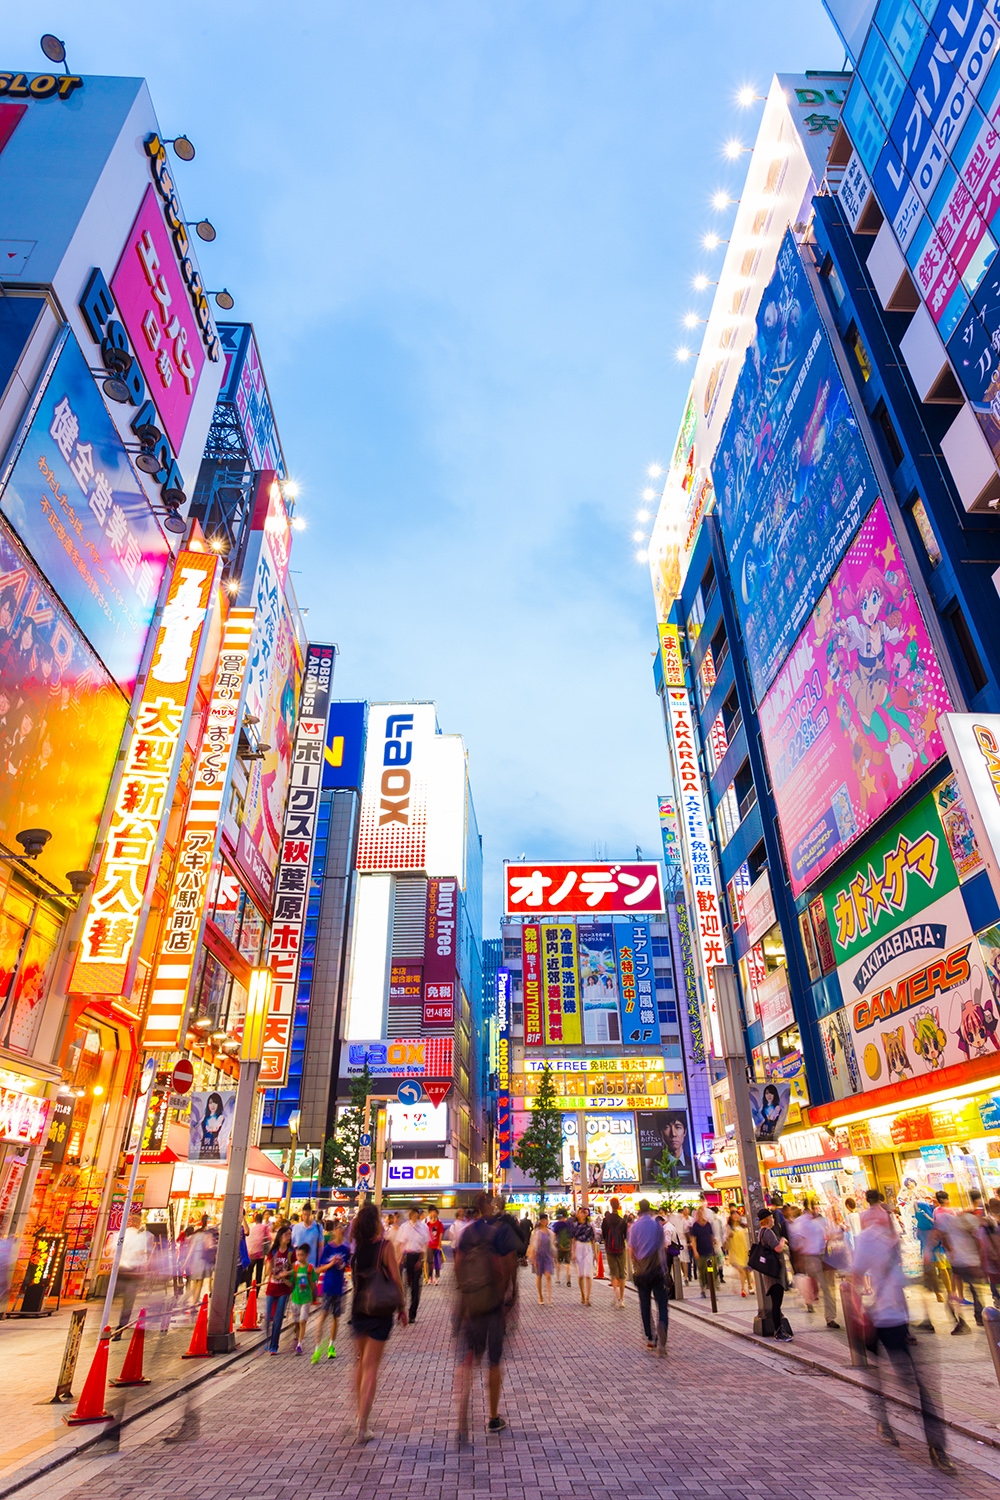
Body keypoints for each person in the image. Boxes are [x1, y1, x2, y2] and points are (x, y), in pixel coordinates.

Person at [853, 1204, 955, 1473]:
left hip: (900, 1322)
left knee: (917, 1382)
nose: (885, 1220)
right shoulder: (867, 1240)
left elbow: (903, 1282)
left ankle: (936, 1445)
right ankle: (885, 1423)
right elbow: (856, 1277)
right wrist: (858, 1312)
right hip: (878, 1320)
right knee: (880, 1377)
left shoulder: (893, 1240)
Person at [454, 1192, 521, 1442]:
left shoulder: (466, 1234)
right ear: (490, 1206)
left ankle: (463, 1413)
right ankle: (493, 1416)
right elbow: (508, 1267)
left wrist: (463, 1302)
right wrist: (509, 1299)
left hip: (472, 1305)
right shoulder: (499, 1232)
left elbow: (458, 1268)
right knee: (494, 1360)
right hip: (492, 1305)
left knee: (470, 1358)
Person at [350, 1201, 407, 1442]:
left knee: (361, 1364)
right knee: (371, 1366)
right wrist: (402, 1307)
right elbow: (396, 1279)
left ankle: (359, 1416)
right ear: (375, 1223)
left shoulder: (358, 1249)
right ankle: (363, 1426)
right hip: (379, 1311)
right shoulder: (385, 1247)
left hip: (359, 1310)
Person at [627, 1199, 669, 1356]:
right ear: (649, 1210)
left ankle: (651, 1338)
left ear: (639, 1210)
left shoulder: (635, 1227)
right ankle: (662, 1325)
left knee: (645, 1305)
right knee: (662, 1304)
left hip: (642, 1272)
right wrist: (664, 1268)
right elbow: (662, 1247)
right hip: (657, 1270)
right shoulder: (657, 1225)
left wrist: (636, 1264)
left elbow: (631, 1250)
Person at [793, 1200, 840, 1328]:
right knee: (819, 1285)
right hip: (811, 1258)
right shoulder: (802, 1222)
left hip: (824, 1256)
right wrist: (800, 1261)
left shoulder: (821, 1220)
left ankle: (830, 1317)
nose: (812, 1210)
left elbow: (832, 1234)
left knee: (828, 1287)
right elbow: (799, 1242)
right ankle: (810, 1301)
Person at [314, 1223, 351, 1362]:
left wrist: (341, 1264)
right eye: (339, 1228)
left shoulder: (346, 1249)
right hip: (328, 1286)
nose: (340, 1231)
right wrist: (331, 1264)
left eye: (342, 1228)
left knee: (336, 1316)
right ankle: (317, 1347)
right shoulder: (328, 1248)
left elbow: (346, 1265)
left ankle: (331, 1345)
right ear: (335, 1230)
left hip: (339, 1286)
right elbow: (319, 1269)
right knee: (323, 1315)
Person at [114, 1216, 153, 1336]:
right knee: (128, 1303)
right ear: (138, 1224)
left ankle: (104, 1327)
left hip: (120, 1271)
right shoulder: (140, 1237)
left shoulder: (120, 1235)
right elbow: (141, 1252)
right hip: (133, 1273)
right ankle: (120, 1328)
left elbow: (113, 1250)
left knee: (111, 1299)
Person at [756, 1209, 791, 1341]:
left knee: (776, 1303)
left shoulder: (761, 1232)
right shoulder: (768, 1232)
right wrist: (782, 1240)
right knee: (776, 1304)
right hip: (774, 1274)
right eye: (772, 1218)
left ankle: (779, 1330)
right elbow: (777, 1248)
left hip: (770, 1273)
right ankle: (778, 1331)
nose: (774, 1220)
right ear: (767, 1219)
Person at [395, 1207, 429, 1325]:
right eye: (411, 1214)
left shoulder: (424, 1227)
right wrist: (399, 1258)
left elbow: (425, 1246)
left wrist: (421, 1260)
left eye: (415, 1214)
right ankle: (402, 1311)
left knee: (416, 1287)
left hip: (418, 1257)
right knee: (404, 1286)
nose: (413, 1216)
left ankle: (412, 1314)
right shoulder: (404, 1227)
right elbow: (401, 1244)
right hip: (407, 1257)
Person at [264, 1223, 295, 1354]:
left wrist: (286, 1273)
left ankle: (274, 1346)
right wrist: (270, 1267)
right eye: (287, 1234)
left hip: (284, 1288)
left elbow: (295, 1269)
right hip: (271, 1288)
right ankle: (267, 1342)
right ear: (281, 1236)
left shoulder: (291, 1252)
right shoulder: (273, 1252)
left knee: (278, 1318)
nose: (289, 1236)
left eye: (290, 1234)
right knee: (268, 1319)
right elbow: (267, 1272)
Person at [288, 1243, 318, 1355]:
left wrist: (313, 1295)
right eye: (298, 1255)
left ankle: (300, 1344)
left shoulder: (310, 1268)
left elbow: (313, 1284)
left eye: (301, 1255)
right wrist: (281, 1278)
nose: (299, 1257)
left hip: (306, 1299)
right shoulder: (296, 1268)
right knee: (295, 1321)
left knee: (302, 1321)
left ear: (306, 1255)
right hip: (296, 1298)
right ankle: (297, 1334)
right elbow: (291, 1282)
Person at [601, 1197, 628, 1310]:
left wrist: (607, 1244)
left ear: (611, 1206)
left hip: (609, 1249)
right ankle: (621, 1298)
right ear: (619, 1206)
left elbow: (603, 1235)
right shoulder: (622, 1221)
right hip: (621, 1248)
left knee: (613, 1273)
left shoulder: (606, 1220)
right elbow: (625, 1236)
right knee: (622, 1274)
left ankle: (615, 1294)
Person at [688, 1206, 716, 1297]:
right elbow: (693, 1239)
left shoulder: (708, 1225)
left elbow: (711, 1236)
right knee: (701, 1270)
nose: (700, 1215)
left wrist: (714, 1247)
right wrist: (695, 1251)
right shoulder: (695, 1226)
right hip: (700, 1252)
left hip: (709, 1251)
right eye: (699, 1213)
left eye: (702, 1213)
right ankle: (702, 1289)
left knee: (710, 1270)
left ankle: (711, 1288)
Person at [528, 1214, 555, 1305]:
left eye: (545, 1220)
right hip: (538, 1256)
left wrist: (555, 1257)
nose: (544, 1222)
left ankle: (549, 1297)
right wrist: (533, 1258)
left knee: (548, 1275)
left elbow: (552, 1246)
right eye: (542, 1220)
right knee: (539, 1275)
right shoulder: (536, 1232)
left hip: (548, 1256)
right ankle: (540, 1295)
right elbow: (533, 1245)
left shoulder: (550, 1233)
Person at [571, 1208, 595, 1305]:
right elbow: (573, 1239)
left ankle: (588, 1298)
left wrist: (595, 1253)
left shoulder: (589, 1226)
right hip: (578, 1247)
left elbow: (593, 1239)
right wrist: (573, 1253)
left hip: (587, 1247)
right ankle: (583, 1295)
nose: (582, 1214)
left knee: (588, 1273)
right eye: (581, 1212)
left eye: (584, 1212)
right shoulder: (575, 1226)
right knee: (580, 1274)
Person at [726, 1210, 750, 1297]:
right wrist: (728, 1237)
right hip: (734, 1253)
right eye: (734, 1215)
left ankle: (748, 1285)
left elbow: (747, 1240)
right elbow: (725, 1243)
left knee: (746, 1270)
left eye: (737, 1215)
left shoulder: (744, 1228)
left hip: (743, 1251)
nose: (736, 1216)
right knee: (741, 1270)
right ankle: (743, 1288)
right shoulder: (729, 1228)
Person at [292, 1203, 324, 1269]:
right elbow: (292, 1245)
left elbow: (320, 1246)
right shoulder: (296, 1227)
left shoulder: (318, 1227)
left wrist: (319, 1265)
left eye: (308, 1215)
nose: (306, 1217)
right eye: (304, 1214)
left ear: (312, 1215)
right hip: (297, 1266)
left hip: (311, 1266)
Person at [246, 1211, 269, 1290]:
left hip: (251, 1254)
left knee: (249, 1272)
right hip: (260, 1254)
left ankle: (248, 1290)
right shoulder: (265, 1227)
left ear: (255, 1220)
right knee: (258, 1274)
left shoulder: (251, 1228)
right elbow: (268, 1239)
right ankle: (256, 1291)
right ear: (262, 1219)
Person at [552, 1208, 573, 1287]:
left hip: (559, 1246)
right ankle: (569, 1280)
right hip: (567, 1246)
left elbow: (554, 1235)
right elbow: (571, 1235)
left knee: (558, 1263)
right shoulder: (569, 1224)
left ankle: (558, 1279)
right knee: (568, 1263)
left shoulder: (557, 1224)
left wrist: (553, 1243)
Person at [425, 1208, 444, 1284]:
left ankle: (436, 1277)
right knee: (430, 1262)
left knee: (437, 1262)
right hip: (430, 1245)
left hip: (437, 1246)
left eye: (435, 1212)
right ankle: (430, 1277)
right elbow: (426, 1234)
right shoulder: (428, 1224)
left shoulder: (439, 1224)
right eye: (432, 1212)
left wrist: (439, 1244)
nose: (433, 1214)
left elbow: (440, 1234)